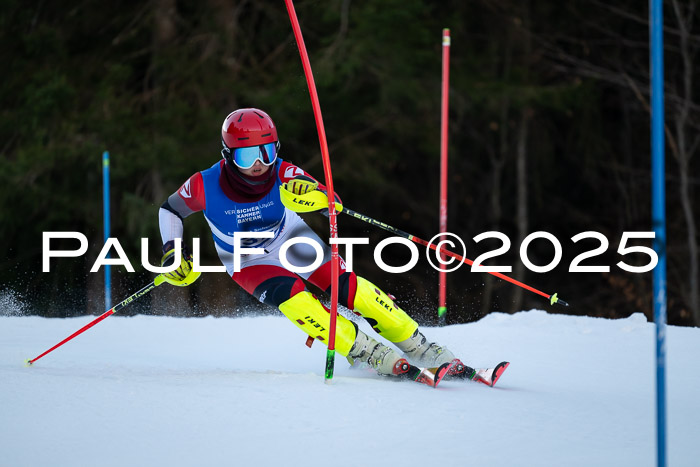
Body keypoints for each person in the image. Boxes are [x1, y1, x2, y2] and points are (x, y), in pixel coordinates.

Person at [157, 108, 473, 380]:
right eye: (247, 155)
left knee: (348, 288)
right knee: (297, 300)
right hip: (247, 259)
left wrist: (319, 199)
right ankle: (366, 351)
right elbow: (170, 210)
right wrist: (173, 250)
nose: (259, 163)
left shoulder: (283, 171)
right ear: (227, 155)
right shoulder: (204, 184)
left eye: (266, 152)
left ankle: (421, 347)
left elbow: (329, 200)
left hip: (290, 238)